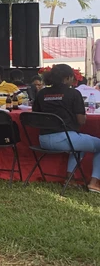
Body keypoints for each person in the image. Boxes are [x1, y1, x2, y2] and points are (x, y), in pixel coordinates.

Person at [32, 63, 100, 193]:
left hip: (43, 140)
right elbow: (81, 120)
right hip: (65, 139)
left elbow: (35, 116)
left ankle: (71, 179)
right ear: (68, 78)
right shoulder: (73, 93)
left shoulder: (42, 93)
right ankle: (95, 182)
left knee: (80, 146)